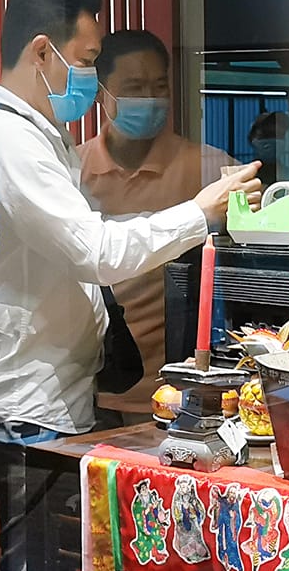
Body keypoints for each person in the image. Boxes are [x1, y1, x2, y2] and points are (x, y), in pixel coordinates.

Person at [0, 0, 260, 571]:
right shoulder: (8, 141)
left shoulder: (38, 135)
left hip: (46, 394)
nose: (89, 78)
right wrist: (198, 214)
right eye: (86, 60)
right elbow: (96, 253)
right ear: (42, 52)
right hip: (24, 405)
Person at [75, 28, 240, 420]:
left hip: (180, 395)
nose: (149, 99)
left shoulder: (210, 169)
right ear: (100, 92)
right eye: (134, 88)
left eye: (159, 87)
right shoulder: (72, 170)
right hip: (89, 392)